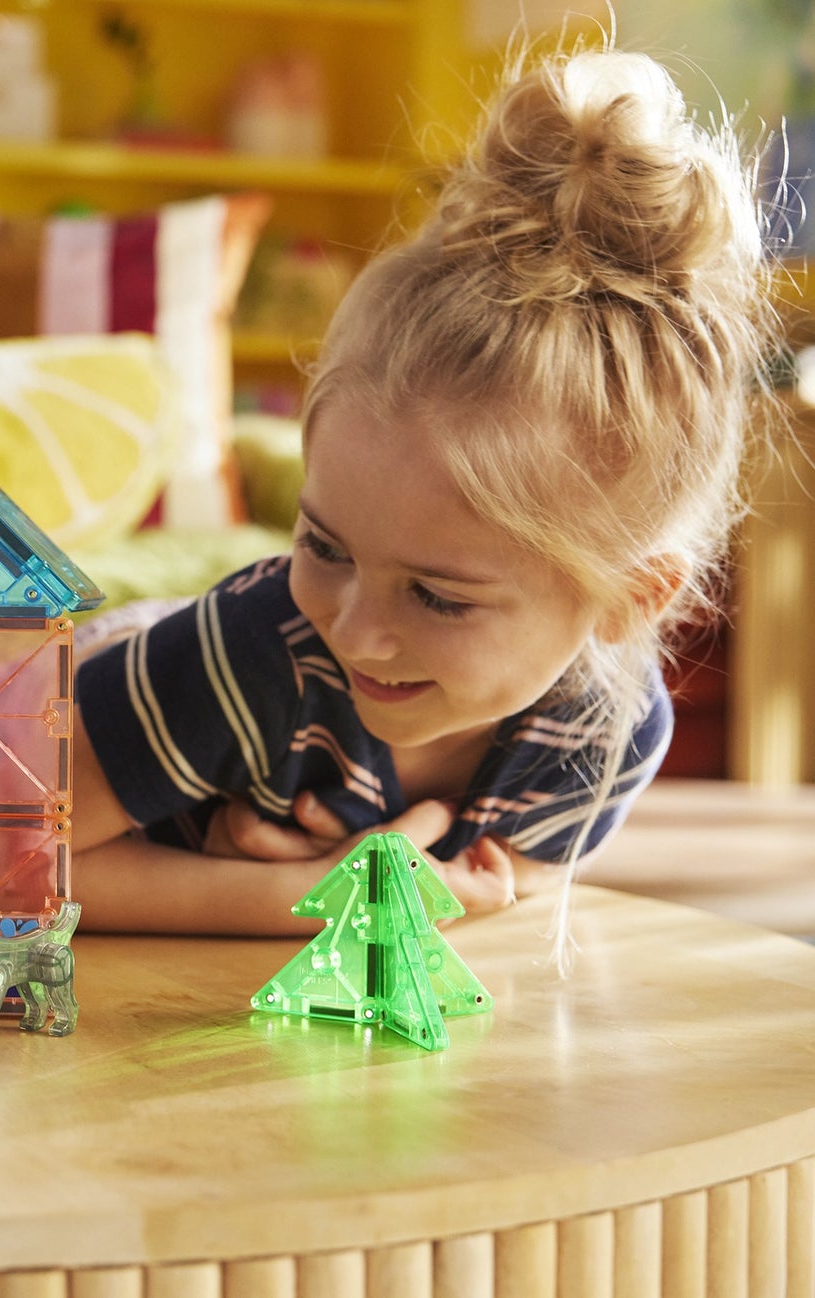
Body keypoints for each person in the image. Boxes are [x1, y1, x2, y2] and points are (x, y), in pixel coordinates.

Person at [69, 50, 779, 949]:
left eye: (438, 595)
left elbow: (499, 887)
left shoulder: (605, 730)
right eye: (325, 546)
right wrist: (311, 895)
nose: (355, 629)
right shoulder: (246, 654)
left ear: (629, 599)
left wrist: (407, 889)